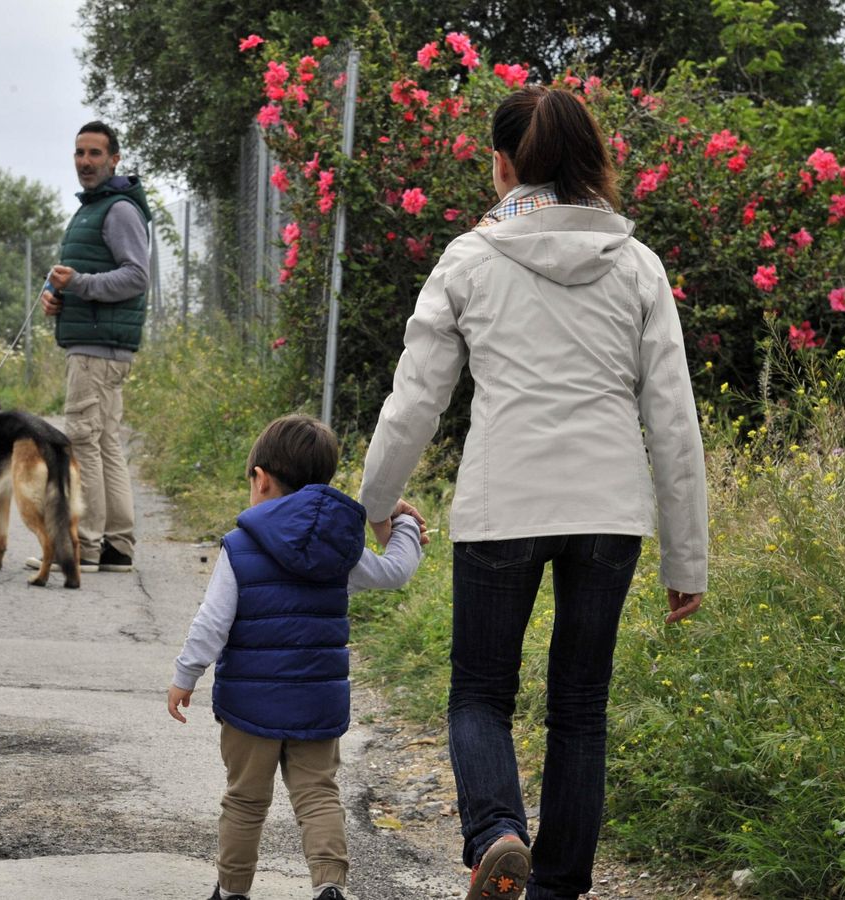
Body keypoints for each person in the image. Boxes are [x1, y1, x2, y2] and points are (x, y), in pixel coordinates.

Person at [357, 86, 709, 900]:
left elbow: (415, 399)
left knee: (481, 692)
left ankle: (497, 834)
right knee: (580, 706)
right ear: (589, 160)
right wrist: (686, 555)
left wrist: (378, 504)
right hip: (609, 513)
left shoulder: (470, 259)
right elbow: (674, 420)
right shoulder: (639, 266)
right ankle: (556, 888)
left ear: (504, 162)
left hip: (501, 505)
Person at [168, 414, 427, 900]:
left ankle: (232, 891)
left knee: (245, 800)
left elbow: (211, 623)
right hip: (317, 703)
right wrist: (406, 523)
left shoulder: (241, 544)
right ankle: (329, 885)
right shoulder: (339, 548)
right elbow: (395, 571)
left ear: (261, 479)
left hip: (251, 707)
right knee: (317, 795)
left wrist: (186, 675)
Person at [36, 120, 150, 573]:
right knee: (104, 445)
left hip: (97, 350)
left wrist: (79, 283)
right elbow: (92, 278)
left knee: (84, 443)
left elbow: (137, 275)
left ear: (115, 158)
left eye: (95, 154)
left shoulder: (118, 209)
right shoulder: (94, 207)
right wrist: (58, 299)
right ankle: (117, 547)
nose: (85, 161)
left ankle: (84, 546)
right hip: (98, 343)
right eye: (79, 153)